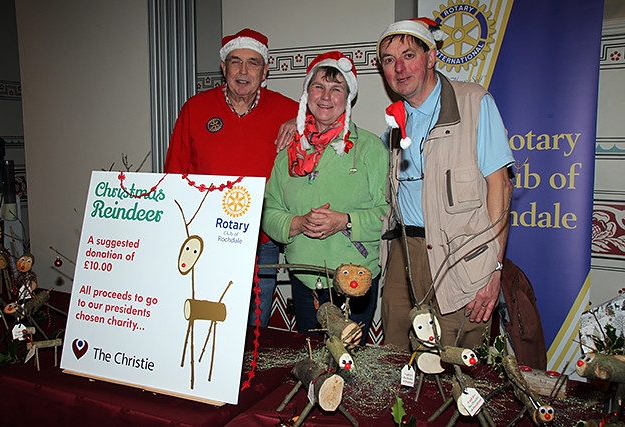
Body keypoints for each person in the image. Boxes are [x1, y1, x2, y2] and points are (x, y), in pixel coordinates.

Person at [377, 18, 515, 351]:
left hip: (459, 258)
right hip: (403, 254)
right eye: (388, 60)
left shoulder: (474, 103)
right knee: (397, 358)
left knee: (453, 362)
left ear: (432, 56)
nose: (399, 67)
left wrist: (494, 267)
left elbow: (501, 186)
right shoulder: (394, 124)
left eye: (409, 55)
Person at [164, 28, 298, 328]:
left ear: (265, 71)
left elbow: (330, 123)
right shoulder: (195, 109)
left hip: (262, 238)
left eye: (253, 63)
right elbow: (174, 172)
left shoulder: (288, 110)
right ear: (223, 68)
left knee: (254, 325)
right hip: (205, 236)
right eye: (235, 62)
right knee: (207, 315)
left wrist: (302, 119)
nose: (243, 71)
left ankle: (247, 373)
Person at [262, 51, 388, 345]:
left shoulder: (370, 149)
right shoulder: (288, 154)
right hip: (304, 278)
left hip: (355, 280)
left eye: (336, 89)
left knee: (349, 362)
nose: (326, 96)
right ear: (307, 93)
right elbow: (269, 210)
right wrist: (298, 223)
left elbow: (389, 215)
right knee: (314, 362)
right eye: (319, 86)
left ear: (349, 98)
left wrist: (344, 221)